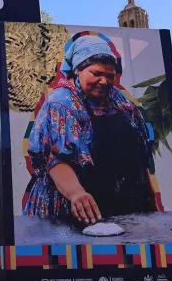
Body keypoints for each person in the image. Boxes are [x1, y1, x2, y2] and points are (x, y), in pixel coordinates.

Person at [23, 34, 158, 224]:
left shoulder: (122, 102)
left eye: (109, 76)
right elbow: (54, 159)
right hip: (68, 208)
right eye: (96, 74)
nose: (104, 81)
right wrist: (76, 194)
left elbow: (139, 155)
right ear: (78, 70)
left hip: (116, 204)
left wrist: (151, 200)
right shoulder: (61, 104)